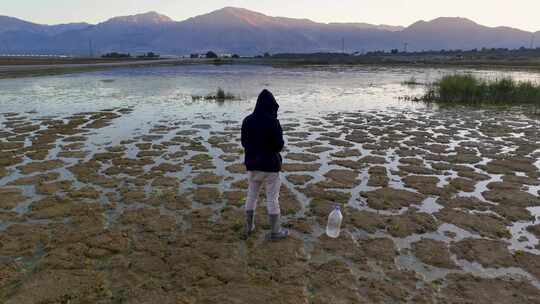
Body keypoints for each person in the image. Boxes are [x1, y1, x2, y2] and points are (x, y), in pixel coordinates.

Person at [241, 89, 288, 240]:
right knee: (272, 199)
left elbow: (244, 143)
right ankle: (275, 232)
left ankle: (249, 227)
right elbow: (279, 146)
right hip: (270, 168)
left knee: (251, 196)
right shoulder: (273, 122)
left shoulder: (247, 120)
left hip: (252, 166)